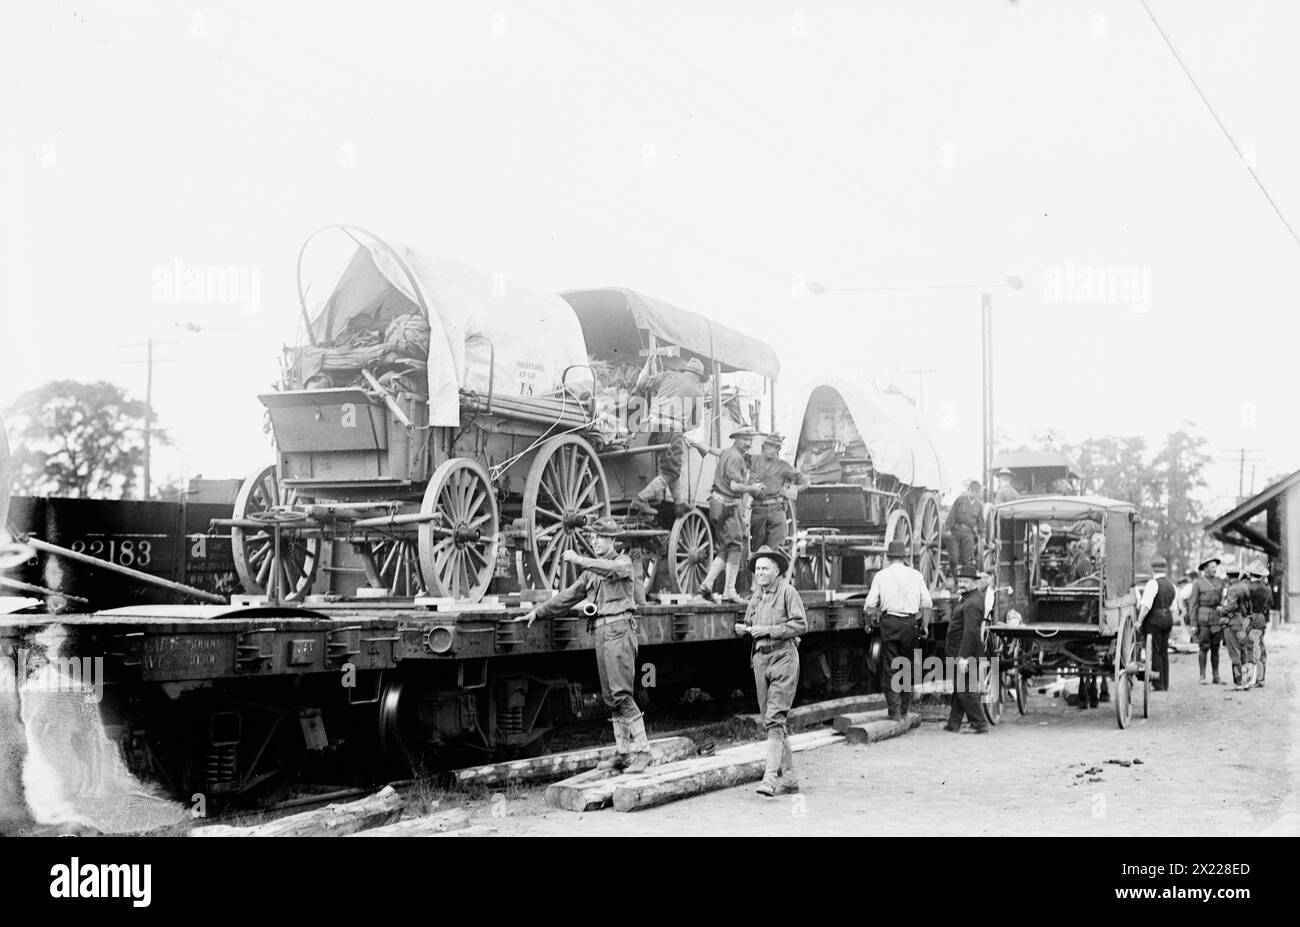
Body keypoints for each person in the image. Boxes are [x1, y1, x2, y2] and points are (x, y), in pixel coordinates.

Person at [522, 517, 652, 773]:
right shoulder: (592, 572)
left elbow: (610, 569)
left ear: (612, 540)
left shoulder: (623, 562)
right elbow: (567, 597)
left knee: (622, 693)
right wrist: (538, 612)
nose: (593, 541)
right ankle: (623, 753)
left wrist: (580, 559)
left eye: (599, 537)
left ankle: (643, 752)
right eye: (591, 537)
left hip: (619, 630)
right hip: (602, 631)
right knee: (610, 697)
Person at [734, 545, 806, 796]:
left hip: (783, 657)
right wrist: (743, 629)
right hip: (761, 660)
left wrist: (768, 630)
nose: (760, 572)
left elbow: (800, 625)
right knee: (772, 721)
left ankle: (769, 779)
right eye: (757, 569)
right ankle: (790, 777)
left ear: (777, 571)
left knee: (775, 719)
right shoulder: (756, 596)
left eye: (765, 568)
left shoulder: (788, 592)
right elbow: (750, 623)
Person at [865, 539, 933, 720]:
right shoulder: (916, 575)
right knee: (908, 667)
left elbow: (869, 605)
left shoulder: (881, 576)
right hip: (910, 624)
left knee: (890, 668)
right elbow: (927, 604)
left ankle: (894, 712)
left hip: (890, 623)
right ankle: (904, 710)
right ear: (905, 558)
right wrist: (924, 625)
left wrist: (868, 622)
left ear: (888, 557)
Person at [629, 355, 706, 514]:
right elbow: (695, 422)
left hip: (655, 429)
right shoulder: (697, 391)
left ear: (685, 371)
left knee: (670, 467)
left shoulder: (668, 375)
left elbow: (643, 384)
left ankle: (679, 503)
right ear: (698, 376)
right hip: (672, 431)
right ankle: (641, 499)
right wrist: (683, 428)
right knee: (671, 471)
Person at [695, 426, 763, 603]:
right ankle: (729, 592)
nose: (748, 443)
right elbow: (734, 486)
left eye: (750, 440)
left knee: (726, 548)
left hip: (717, 506)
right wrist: (752, 488)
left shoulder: (727, 452)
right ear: (737, 438)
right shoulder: (736, 458)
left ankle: (707, 584)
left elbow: (719, 452)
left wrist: (706, 447)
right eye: (745, 439)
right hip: (729, 507)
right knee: (735, 548)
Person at [945, 564, 990, 734]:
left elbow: (970, 631)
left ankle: (980, 724)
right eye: (961, 580)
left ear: (974, 582)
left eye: (966, 580)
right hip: (961, 651)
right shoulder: (967, 598)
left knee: (965, 691)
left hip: (966, 653)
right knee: (960, 688)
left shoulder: (972, 602)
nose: (962, 583)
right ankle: (953, 723)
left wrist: (963, 657)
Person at [748, 433, 810, 553]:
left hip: (777, 511)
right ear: (763, 446)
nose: (771, 450)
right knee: (757, 550)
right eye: (769, 446)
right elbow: (734, 460)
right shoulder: (753, 460)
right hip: (758, 510)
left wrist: (791, 491)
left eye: (775, 447)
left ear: (779, 449)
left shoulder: (784, 466)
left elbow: (806, 482)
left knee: (773, 550)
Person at [1137, 556, 1178, 692]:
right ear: (1165, 569)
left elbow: (1146, 606)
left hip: (1155, 620)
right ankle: (1165, 683)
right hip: (1168, 619)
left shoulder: (1152, 584)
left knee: (1155, 650)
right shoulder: (1172, 585)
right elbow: (1173, 607)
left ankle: (1157, 683)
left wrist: (1139, 621)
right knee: (1164, 651)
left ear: (1153, 569)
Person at [1186, 556, 1226, 684]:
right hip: (1203, 620)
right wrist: (1193, 624)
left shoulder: (1220, 582)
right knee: (1203, 647)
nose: (1215, 569)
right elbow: (1193, 604)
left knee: (1216, 647)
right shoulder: (1198, 583)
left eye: (1216, 567)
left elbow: (1224, 599)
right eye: (1212, 567)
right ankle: (1202, 676)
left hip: (1217, 619)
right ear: (1205, 569)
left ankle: (1216, 676)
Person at [1218, 567, 1255, 690]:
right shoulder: (1244, 586)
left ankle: (1238, 683)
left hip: (1233, 622)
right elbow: (1249, 606)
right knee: (1245, 652)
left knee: (1234, 653)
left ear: (1228, 577)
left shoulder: (1233, 589)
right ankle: (1247, 681)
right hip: (1244, 622)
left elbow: (1231, 606)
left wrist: (1221, 609)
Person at [944, 480, 983, 573]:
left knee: (966, 559)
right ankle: (955, 580)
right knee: (953, 559)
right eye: (971, 491)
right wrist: (947, 529)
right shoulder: (960, 500)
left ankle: (963, 580)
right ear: (968, 490)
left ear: (978, 493)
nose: (973, 493)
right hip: (955, 532)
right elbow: (952, 514)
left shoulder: (979, 506)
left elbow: (981, 522)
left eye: (975, 492)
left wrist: (982, 536)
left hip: (969, 534)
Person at [1245, 561, 1272, 688]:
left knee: (1248, 647)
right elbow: (1270, 604)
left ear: (1251, 573)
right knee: (1260, 646)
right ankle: (1261, 679)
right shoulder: (1267, 588)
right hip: (1261, 618)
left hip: (1249, 618)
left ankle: (1248, 678)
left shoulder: (1247, 587)